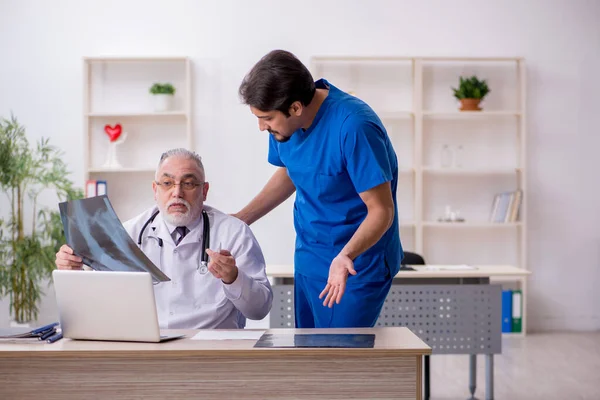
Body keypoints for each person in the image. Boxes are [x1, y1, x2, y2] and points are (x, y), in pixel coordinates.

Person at [234, 50, 403, 329]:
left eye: (266, 118)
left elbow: (381, 210)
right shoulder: (283, 127)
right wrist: (242, 218)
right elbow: (291, 171)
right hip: (310, 255)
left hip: (355, 263)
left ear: (296, 108)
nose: (261, 127)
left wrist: (346, 255)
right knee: (310, 356)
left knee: (339, 360)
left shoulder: (354, 126)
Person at [55, 148, 273, 329]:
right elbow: (95, 304)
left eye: (188, 183)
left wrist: (233, 277)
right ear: (155, 190)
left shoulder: (233, 233)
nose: (177, 192)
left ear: (204, 191)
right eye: (167, 183)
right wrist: (72, 270)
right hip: (147, 350)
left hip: (211, 350)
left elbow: (260, 309)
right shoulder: (127, 234)